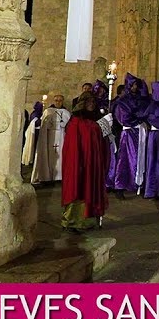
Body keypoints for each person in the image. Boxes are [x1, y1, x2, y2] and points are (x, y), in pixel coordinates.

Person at [61, 93, 109, 231]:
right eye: (88, 102)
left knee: (90, 187)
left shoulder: (96, 121)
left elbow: (101, 142)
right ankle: (72, 221)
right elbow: (72, 146)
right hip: (77, 162)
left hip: (92, 162)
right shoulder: (75, 121)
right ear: (82, 103)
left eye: (93, 102)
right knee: (77, 187)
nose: (91, 104)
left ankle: (88, 220)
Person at [109, 75, 152, 197]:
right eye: (133, 85)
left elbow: (145, 110)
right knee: (125, 159)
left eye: (136, 85)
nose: (135, 87)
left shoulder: (139, 99)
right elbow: (124, 118)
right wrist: (138, 117)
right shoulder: (123, 101)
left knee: (140, 158)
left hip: (139, 132)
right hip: (129, 134)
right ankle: (120, 186)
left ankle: (139, 183)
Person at [29, 93, 69, 185]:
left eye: (60, 100)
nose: (58, 102)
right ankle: (47, 175)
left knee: (61, 155)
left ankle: (60, 176)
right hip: (50, 137)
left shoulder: (66, 113)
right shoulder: (48, 111)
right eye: (56, 100)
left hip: (62, 137)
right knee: (48, 155)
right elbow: (43, 125)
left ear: (63, 101)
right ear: (53, 101)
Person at [21, 99, 44, 167]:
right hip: (34, 133)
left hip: (39, 132)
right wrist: (41, 119)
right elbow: (35, 123)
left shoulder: (40, 114)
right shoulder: (34, 114)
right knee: (33, 147)